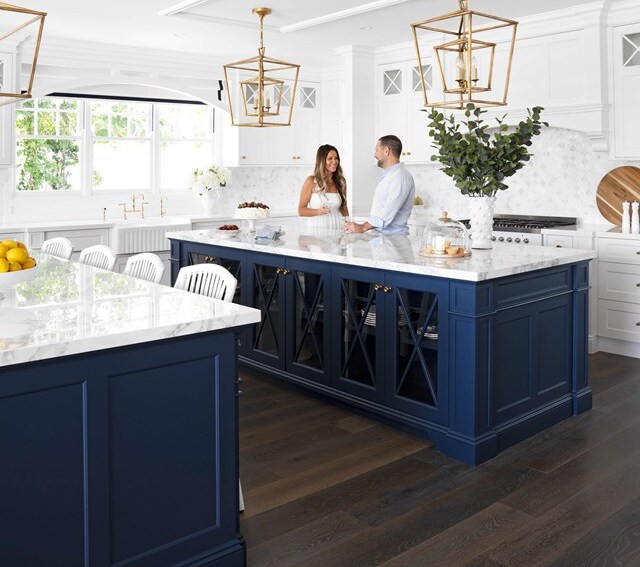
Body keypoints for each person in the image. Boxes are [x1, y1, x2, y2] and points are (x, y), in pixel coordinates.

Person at [344, 135, 415, 234]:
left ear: (386, 151)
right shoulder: (391, 175)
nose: (375, 154)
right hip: (386, 239)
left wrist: (363, 227)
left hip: (394, 241)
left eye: (377, 150)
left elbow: (389, 211)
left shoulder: (400, 176)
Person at [298, 144, 349, 230]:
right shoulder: (311, 181)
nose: (334, 161)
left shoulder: (341, 182)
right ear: (322, 161)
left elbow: (343, 208)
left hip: (337, 229)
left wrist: (348, 225)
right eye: (330, 158)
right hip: (316, 231)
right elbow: (301, 210)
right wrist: (318, 211)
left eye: (336, 158)